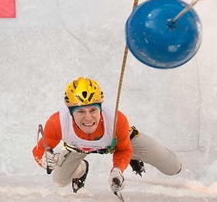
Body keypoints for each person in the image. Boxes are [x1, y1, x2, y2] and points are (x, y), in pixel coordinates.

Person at [32, 77, 182, 194]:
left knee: (173, 167)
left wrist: (117, 170)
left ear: (100, 108)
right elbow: (39, 150)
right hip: (78, 148)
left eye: (93, 110)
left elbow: (123, 149)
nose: (89, 118)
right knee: (60, 180)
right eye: (80, 111)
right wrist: (43, 160)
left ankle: (135, 158)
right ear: (71, 113)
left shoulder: (117, 120)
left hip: (119, 142)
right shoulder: (57, 122)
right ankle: (81, 168)